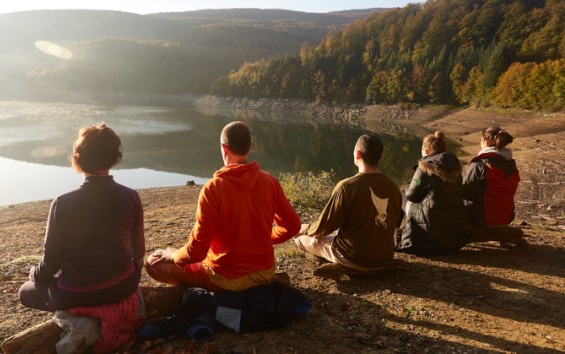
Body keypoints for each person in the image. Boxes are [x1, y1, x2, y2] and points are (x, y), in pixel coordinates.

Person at [145, 121, 301, 292]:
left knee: (152, 263)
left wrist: (172, 255)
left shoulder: (213, 188)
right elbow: (293, 226)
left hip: (224, 279)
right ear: (249, 147)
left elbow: (197, 252)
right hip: (264, 274)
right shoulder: (270, 181)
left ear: (223, 147)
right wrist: (260, 240)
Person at [18, 123, 145, 311]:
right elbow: (139, 252)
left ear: (78, 158)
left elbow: (51, 262)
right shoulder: (131, 197)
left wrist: (34, 276)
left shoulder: (62, 203)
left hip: (75, 293)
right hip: (123, 287)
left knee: (25, 291)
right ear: (114, 158)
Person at [294, 133, 401, 274]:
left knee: (301, 240)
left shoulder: (347, 187)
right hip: (385, 257)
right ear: (379, 157)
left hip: (355, 258)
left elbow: (324, 227)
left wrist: (302, 228)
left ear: (357, 154)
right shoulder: (393, 187)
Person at [396, 131, 472, 255]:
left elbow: (412, 196)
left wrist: (416, 184)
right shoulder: (455, 166)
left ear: (426, 150)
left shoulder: (426, 166)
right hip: (452, 220)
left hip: (430, 221)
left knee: (402, 191)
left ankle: (395, 232)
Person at [463, 126, 520, 227]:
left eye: (481, 139)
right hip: (507, 217)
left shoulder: (480, 165)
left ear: (485, 141)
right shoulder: (511, 165)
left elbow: (465, 192)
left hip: (484, 218)